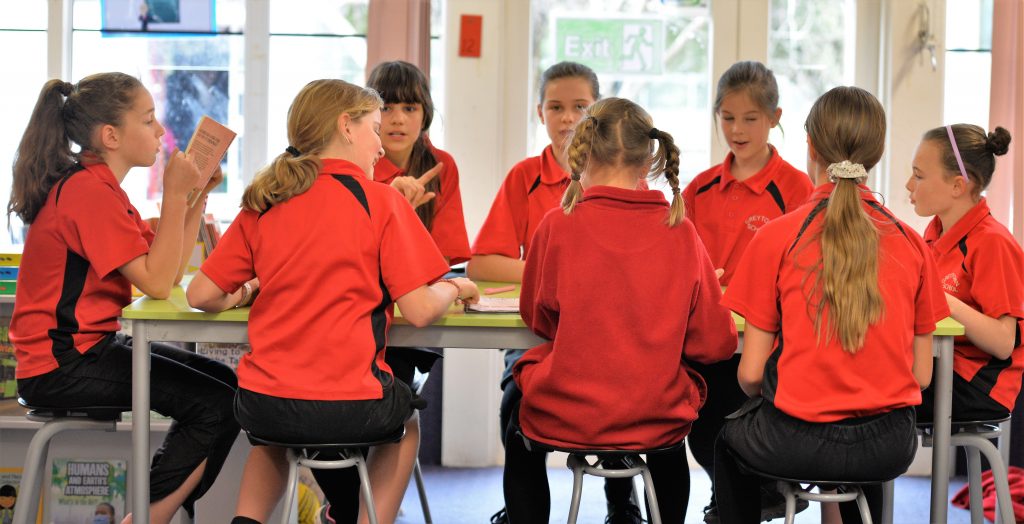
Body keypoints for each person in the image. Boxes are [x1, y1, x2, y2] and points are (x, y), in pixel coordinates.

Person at [186, 78, 480, 524]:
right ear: (346, 126)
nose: (380, 146)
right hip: (353, 405)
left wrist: (249, 290)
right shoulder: (380, 200)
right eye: (375, 129)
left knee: (274, 439)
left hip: (263, 403)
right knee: (407, 426)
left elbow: (201, 294)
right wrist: (456, 287)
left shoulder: (266, 201)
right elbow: (419, 309)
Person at [8, 73, 239, 524]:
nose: (161, 132)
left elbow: (168, 270)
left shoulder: (102, 188)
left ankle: (148, 513)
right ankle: (148, 517)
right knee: (215, 402)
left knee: (225, 386)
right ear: (111, 136)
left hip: (88, 350)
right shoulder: (87, 192)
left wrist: (193, 198)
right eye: (149, 120)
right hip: (63, 364)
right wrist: (174, 194)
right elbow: (157, 284)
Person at [714, 86, 949, 524]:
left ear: (810, 147)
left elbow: (750, 375)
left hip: (793, 441)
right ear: (877, 153)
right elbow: (920, 376)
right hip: (889, 447)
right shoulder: (913, 245)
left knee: (727, 440)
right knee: (867, 446)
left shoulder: (776, 238)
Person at [503, 97, 738, 524]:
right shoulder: (681, 232)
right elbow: (715, 343)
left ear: (584, 150)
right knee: (669, 439)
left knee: (518, 419)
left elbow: (537, 318)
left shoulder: (557, 224)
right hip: (655, 413)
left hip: (567, 410)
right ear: (649, 159)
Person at [468, 61, 642, 523]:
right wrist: (557, 270)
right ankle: (522, 507)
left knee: (625, 393)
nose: (567, 118)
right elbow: (482, 262)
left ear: (599, 112)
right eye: (555, 107)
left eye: (580, 107)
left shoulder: (626, 174)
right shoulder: (524, 177)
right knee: (516, 398)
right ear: (539, 112)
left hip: (615, 339)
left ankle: (622, 503)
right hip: (540, 337)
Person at [682, 60, 813, 523]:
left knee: (747, 417)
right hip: (711, 337)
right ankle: (738, 493)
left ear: (775, 118)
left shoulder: (797, 188)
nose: (737, 130)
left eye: (750, 118)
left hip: (771, 342)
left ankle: (749, 492)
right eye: (728, 117)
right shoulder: (699, 189)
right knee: (700, 425)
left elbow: (808, 269)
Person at [364, 59, 471, 520]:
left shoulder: (442, 166)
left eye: (410, 108)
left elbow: (449, 259)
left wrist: (404, 221)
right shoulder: (358, 166)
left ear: (425, 113)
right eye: (386, 108)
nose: (398, 119)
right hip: (360, 317)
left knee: (395, 397)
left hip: (412, 319)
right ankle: (354, 504)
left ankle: (364, 503)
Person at [906, 124, 1023, 423]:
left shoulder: (993, 242)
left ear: (958, 186)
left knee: (876, 394)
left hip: (977, 386)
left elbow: (1003, 342)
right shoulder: (933, 233)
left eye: (919, 175)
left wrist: (941, 299)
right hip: (941, 365)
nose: (909, 184)